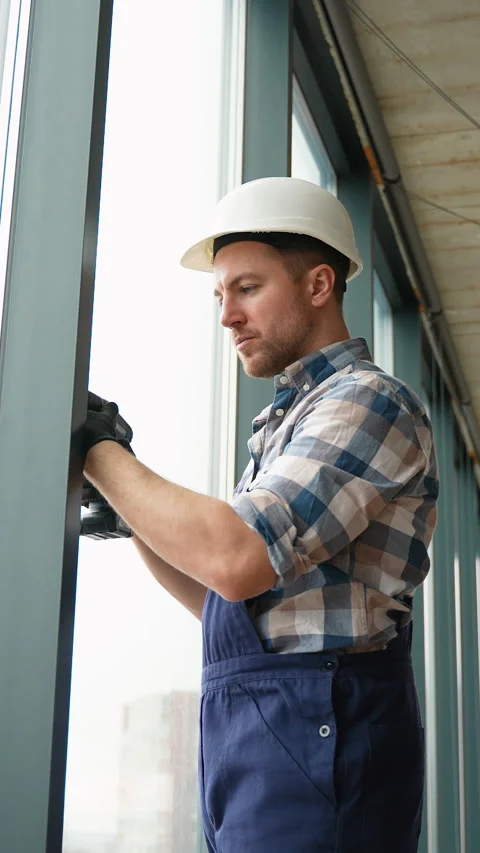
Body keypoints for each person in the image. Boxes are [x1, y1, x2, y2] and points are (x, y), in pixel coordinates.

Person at [83, 177, 439, 853]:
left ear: (318, 284)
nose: (226, 315)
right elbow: (231, 601)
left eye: (246, 288)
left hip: (319, 740)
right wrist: (132, 517)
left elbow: (237, 560)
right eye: (220, 295)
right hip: (263, 736)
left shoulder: (368, 402)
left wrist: (96, 450)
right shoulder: (287, 425)